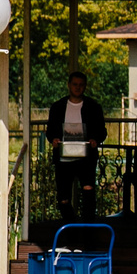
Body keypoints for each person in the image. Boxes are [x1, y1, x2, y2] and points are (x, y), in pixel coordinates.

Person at [50, 70, 108, 220]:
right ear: (69, 85)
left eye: (81, 85)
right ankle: (71, 230)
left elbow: (102, 131)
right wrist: (54, 140)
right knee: (63, 198)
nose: (77, 88)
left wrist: (95, 140)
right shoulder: (57, 107)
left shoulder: (94, 107)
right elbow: (50, 131)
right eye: (75, 84)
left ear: (85, 86)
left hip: (86, 158)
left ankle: (88, 232)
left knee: (88, 192)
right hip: (63, 158)